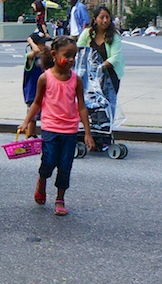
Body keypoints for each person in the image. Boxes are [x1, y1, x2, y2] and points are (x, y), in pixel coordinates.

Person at [17, 36, 95, 216]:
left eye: (73, 56)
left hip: (70, 130)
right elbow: (36, 103)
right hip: (50, 129)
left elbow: (81, 106)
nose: (71, 60)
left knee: (65, 166)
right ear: (54, 54)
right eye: (66, 55)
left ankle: (60, 199)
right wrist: (26, 122)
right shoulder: (45, 78)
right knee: (49, 161)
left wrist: (88, 133)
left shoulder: (76, 80)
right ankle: (42, 181)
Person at [22, 32, 52, 138]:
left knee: (44, 114)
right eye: (41, 43)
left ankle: (40, 134)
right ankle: (31, 135)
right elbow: (36, 50)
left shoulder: (44, 56)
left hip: (43, 90)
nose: (44, 46)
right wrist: (30, 41)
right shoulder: (30, 56)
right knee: (32, 116)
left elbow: (52, 49)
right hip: (32, 91)